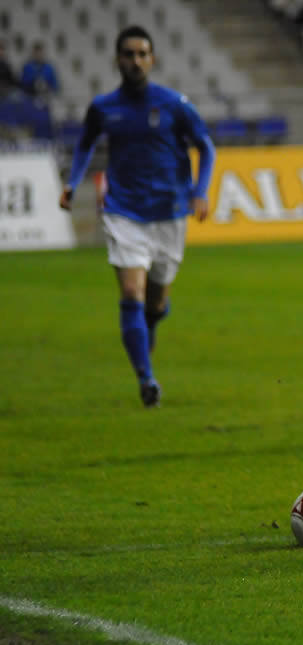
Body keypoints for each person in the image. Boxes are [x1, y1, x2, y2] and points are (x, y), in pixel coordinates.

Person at [59, 25, 215, 408]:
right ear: (117, 60)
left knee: (156, 302)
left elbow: (206, 148)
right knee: (131, 292)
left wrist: (200, 191)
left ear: (153, 59)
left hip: (169, 213)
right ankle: (146, 380)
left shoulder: (174, 104)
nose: (135, 60)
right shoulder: (103, 107)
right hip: (123, 211)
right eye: (128, 54)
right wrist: (72, 181)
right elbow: (84, 145)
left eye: (142, 54)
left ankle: (152, 323)